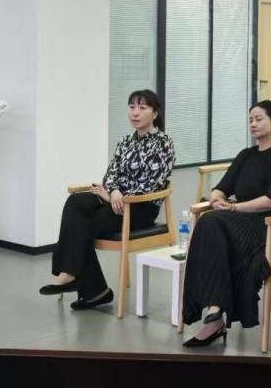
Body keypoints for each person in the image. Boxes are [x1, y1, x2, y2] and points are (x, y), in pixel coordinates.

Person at [181, 101, 271, 347]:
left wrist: (233, 207)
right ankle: (215, 310)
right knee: (209, 221)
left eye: (259, 119)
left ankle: (215, 313)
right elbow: (221, 187)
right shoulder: (246, 155)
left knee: (212, 222)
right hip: (241, 220)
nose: (253, 124)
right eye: (250, 120)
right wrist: (217, 198)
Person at [42, 90, 175, 309]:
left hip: (140, 207)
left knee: (83, 225)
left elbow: (152, 183)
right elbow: (111, 173)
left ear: (154, 113)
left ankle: (89, 287)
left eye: (142, 108)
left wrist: (121, 195)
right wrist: (112, 192)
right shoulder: (125, 142)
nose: (135, 112)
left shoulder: (163, 143)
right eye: (132, 107)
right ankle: (76, 278)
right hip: (114, 199)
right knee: (76, 202)